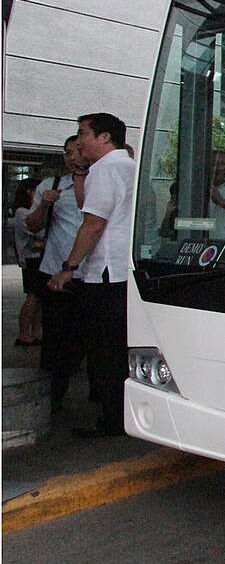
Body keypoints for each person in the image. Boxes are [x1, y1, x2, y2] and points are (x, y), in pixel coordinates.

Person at [47, 113, 134, 436]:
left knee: (105, 351)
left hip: (107, 271)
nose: (79, 140)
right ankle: (118, 414)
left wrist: (68, 267)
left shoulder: (107, 168)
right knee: (115, 348)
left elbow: (93, 223)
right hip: (123, 269)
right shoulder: (127, 166)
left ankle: (112, 420)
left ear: (104, 137)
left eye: (83, 133)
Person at [24, 135, 87, 410]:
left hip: (91, 272)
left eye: (77, 151)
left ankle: (101, 395)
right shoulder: (50, 186)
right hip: (55, 271)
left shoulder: (101, 183)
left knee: (88, 336)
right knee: (55, 337)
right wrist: (44, 204)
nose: (71, 157)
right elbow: (32, 226)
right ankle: (52, 397)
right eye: (67, 153)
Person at [12, 179, 44, 346]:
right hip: (32, 258)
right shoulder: (23, 212)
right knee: (32, 296)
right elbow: (38, 232)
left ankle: (35, 332)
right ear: (29, 192)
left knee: (38, 298)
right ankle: (24, 333)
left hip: (37, 258)